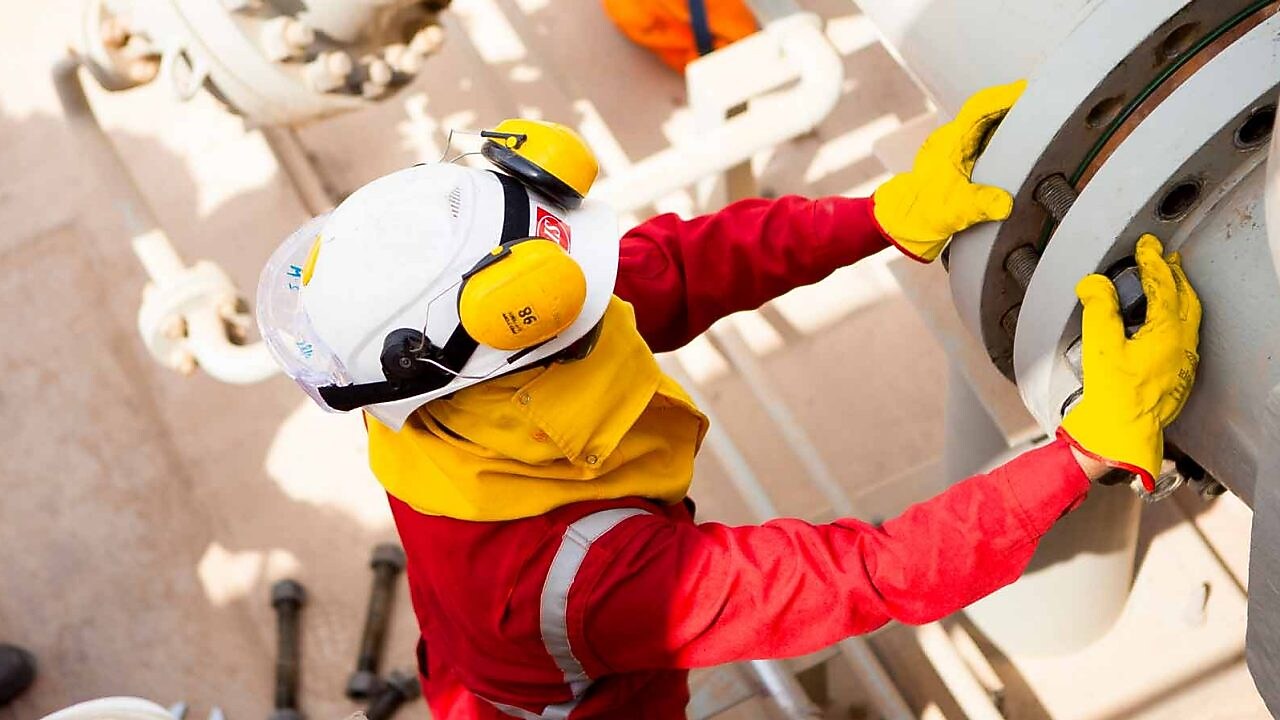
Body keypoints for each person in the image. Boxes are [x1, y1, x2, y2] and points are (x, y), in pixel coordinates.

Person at [256, 81, 1201, 719]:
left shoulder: (437, 391)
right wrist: (1081, 453)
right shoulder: (582, 580)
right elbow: (866, 575)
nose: (606, 285)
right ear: (516, 341)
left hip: (469, 662)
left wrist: (881, 217)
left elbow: (675, 268)